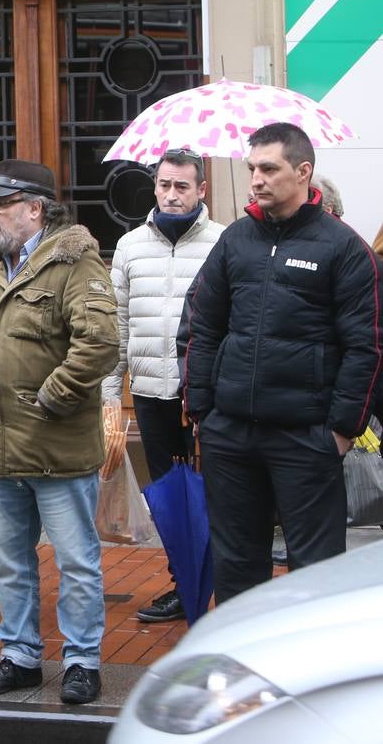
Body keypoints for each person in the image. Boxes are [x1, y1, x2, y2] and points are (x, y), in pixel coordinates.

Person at [0, 159, 117, 706]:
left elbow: (101, 344)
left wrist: (52, 398)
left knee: (76, 560)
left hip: (57, 447)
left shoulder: (76, 264)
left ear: (35, 209)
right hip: (1, 445)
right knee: (11, 561)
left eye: (0, 203)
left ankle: (82, 661)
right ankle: (19, 657)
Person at [180, 122, 381, 605]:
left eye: (269, 169)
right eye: (252, 169)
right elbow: (201, 327)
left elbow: (367, 348)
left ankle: (313, 673)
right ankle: (241, 673)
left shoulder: (344, 248)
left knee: (314, 573)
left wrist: (339, 431)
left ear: (303, 172)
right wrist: (203, 410)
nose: (256, 180)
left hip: (305, 437)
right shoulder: (235, 241)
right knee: (236, 567)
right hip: (231, 435)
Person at [101, 149, 224, 623]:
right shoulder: (131, 245)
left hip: (207, 396)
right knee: (170, 496)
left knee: (216, 492)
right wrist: (112, 393)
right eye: (164, 185)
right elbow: (118, 324)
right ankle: (182, 584)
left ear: (201, 191)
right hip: (152, 392)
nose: (172, 195)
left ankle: (222, 586)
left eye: (182, 187)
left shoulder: (224, 242)